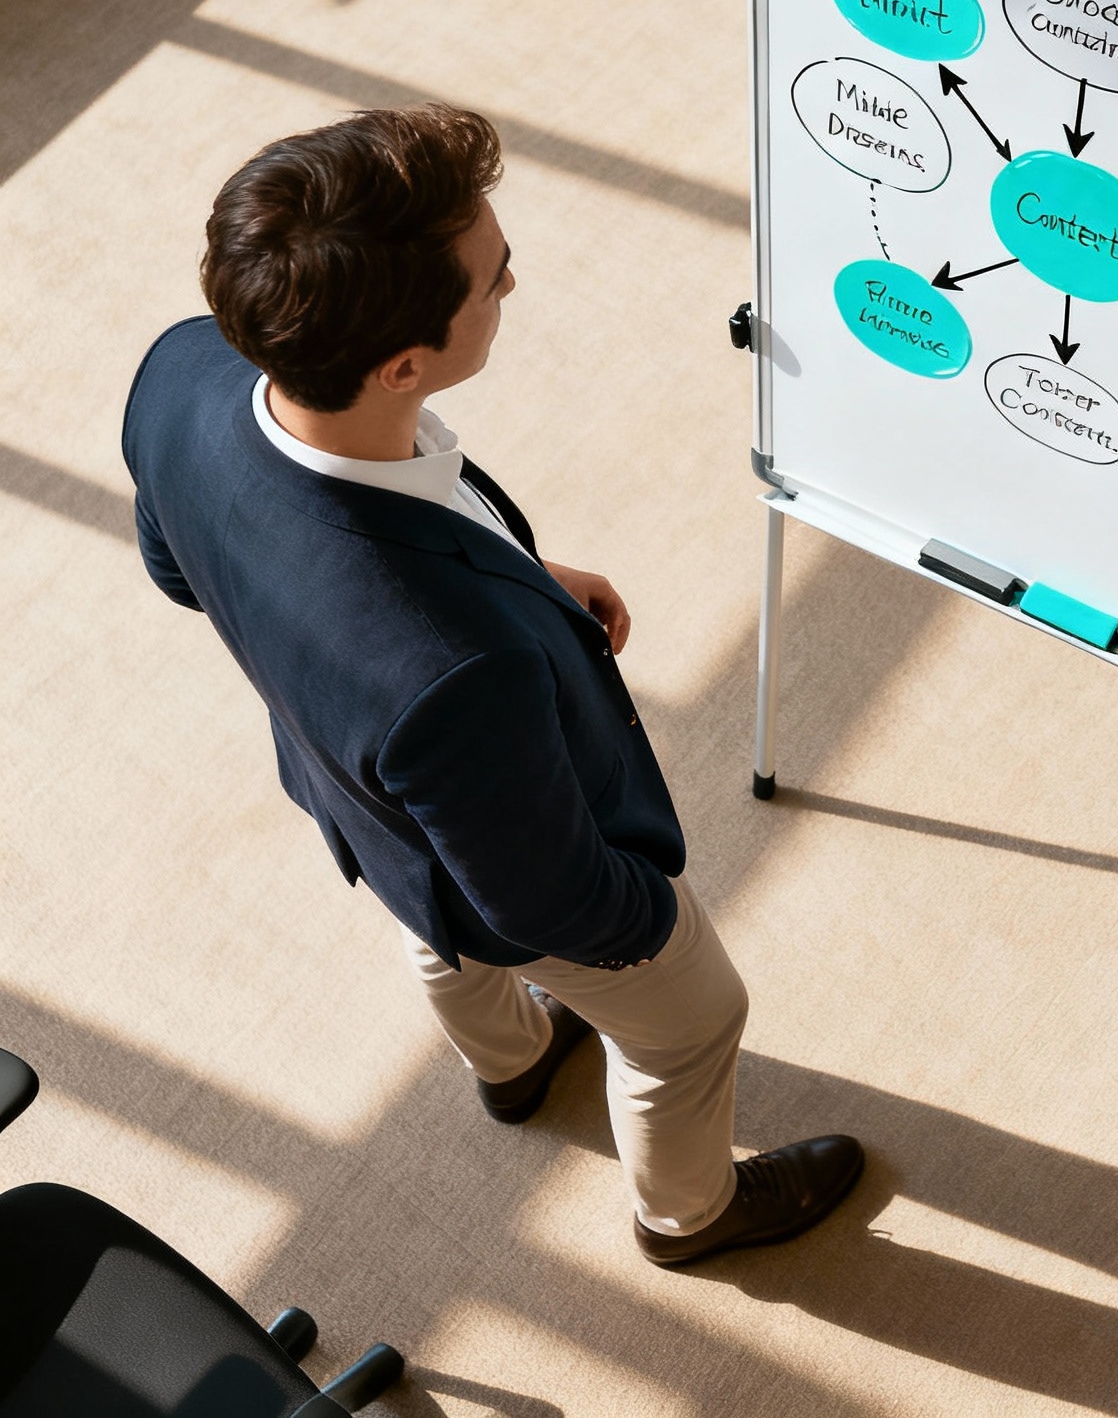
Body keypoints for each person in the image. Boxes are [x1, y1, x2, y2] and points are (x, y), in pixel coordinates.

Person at [122, 105, 863, 1266]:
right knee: (692, 1017)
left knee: (436, 915)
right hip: (504, 842)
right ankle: (691, 1214)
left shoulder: (183, 365)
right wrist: (652, 925)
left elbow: (180, 569)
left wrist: (519, 581)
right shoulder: (449, 672)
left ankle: (511, 1062)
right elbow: (546, 901)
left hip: (360, 804)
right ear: (404, 362)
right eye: (494, 280)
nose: (512, 277)